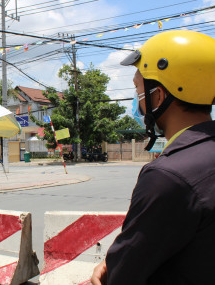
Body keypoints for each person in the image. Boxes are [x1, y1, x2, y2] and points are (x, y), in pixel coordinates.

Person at [91, 30, 215, 284]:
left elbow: (121, 274)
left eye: (138, 87)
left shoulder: (167, 176)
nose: (137, 99)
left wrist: (109, 268)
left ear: (158, 95)